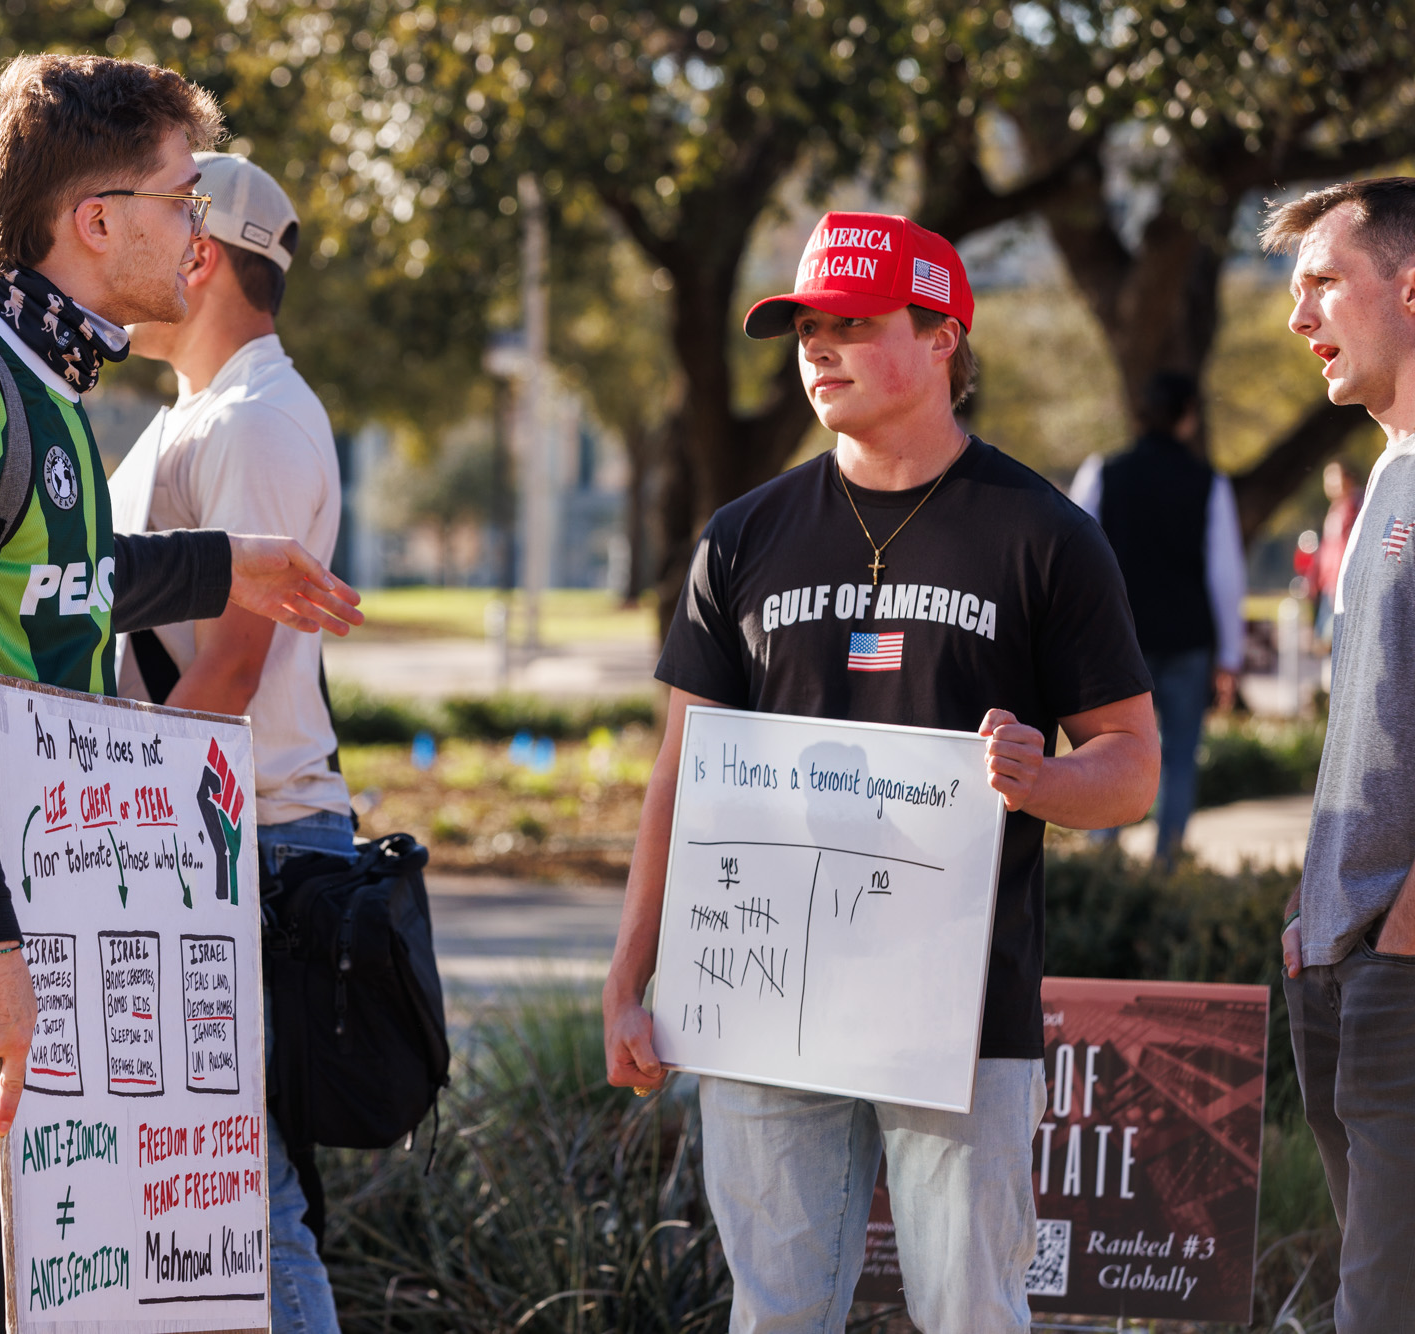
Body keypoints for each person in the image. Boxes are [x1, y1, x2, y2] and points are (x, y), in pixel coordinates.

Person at [0, 55, 361, 1331]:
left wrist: (222, 564)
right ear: (95, 220)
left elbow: (57, 574)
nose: (198, 228)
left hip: (45, 935)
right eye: (182, 198)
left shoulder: (50, 387)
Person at [600, 211, 1159, 1333]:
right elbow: (683, 770)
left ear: (942, 334)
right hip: (760, 997)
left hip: (957, 1014)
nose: (816, 348)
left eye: (851, 324)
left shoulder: (1041, 535)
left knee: (969, 1310)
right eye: (804, 327)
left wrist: (1039, 780)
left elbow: (1132, 765)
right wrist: (629, 973)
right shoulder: (741, 536)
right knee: (776, 1313)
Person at [112, 151, 348, 1334]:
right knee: (203, 1184)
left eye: (142, 224)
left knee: (246, 1189)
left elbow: (231, 667)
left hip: (238, 840)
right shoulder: (202, 414)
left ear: (195, 254)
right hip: (221, 835)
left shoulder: (255, 420)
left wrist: (118, 833)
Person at [1266, 176, 1415, 1333]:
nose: (1295, 314)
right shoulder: (1381, 477)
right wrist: (1316, 920)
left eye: (1321, 280)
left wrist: (1399, 927)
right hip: (1344, 953)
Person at [1069, 371, 1247, 868]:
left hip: (1118, 643)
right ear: (1188, 417)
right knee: (1179, 757)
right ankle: (1166, 866)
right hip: (1188, 642)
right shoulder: (1208, 483)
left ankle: (1102, 866)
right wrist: (1229, 656)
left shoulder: (1103, 472)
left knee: (1107, 753)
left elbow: (1072, 561)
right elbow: (1225, 573)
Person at [1307, 458, 1363, 647]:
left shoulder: (1356, 507)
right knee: (1326, 642)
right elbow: (1325, 550)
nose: (1330, 484)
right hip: (1328, 586)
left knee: (1339, 640)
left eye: (1334, 477)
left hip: (1345, 583)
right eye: (1327, 478)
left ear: (1349, 479)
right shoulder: (1334, 510)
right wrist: (1314, 578)